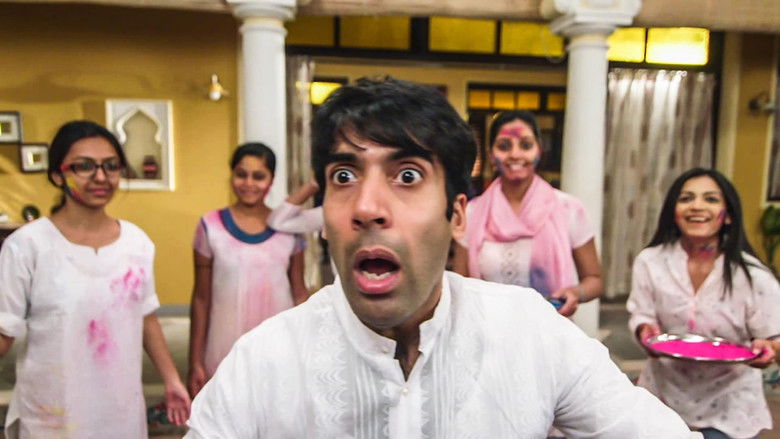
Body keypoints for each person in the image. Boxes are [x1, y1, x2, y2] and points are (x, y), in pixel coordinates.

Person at [186, 77, 700, 438]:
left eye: (407, 175)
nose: (366, 207)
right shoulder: (264, 361)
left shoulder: (530, 334)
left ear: (457, 216)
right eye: (344, 176)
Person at [0, 120, 190, 437]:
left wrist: (171, 380)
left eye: (111, 166)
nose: (100, 177)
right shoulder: (28, 246)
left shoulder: (136, 243)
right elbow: (4, 330)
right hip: (54, 413)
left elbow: (146, 317)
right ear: (57, 174)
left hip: (119, 409)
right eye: (84, 166)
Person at [628, 168, 780, 439]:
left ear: (728, 215)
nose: (696, 206)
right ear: (673, 211)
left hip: (730, 406)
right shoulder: (649, 262)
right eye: (686, 198)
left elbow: (774, 338)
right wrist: (644, 330)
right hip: (663, 397)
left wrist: (768, 349)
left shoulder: (755, 276)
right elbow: (641, 314)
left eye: (710, 199)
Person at [451, 110, 602, 317]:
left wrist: (576, 293)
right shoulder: (472, 212)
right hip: (487, 327)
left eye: (526, 145)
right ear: (491, 154)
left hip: (548, 327)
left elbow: (594, 279)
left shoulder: (568, 209)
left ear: (539, 150)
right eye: (504, 146)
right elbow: (460, 283)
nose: (515, 154)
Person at [187, 143, 309, 397]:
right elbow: (201, 298)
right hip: (222, 351)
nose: (249, 183)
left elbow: (299, 293)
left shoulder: (290, 230)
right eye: (241, 174)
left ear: (271, 180)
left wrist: (307, 349)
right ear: (231, 175)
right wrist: (195, 360)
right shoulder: (210, 226)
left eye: (259, 176)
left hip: (278, 349)